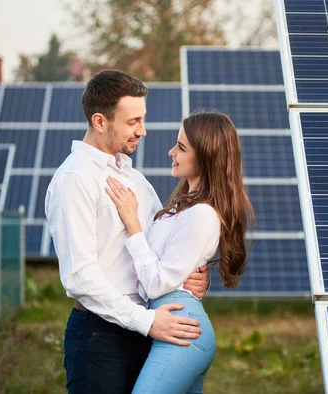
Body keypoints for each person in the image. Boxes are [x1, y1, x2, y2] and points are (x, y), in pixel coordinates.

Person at [45, 70, 211, 394]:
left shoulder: (136, 181)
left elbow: (156, 248)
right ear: (100, 121)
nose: (143, 131)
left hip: (147, 330)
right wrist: (146, 322)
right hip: (100, 336)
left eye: (142, 119)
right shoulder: (74, 180)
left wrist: (191, 273)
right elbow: (79, 276)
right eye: (133, 122)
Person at [104, 110, 254, 393]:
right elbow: (170, 265)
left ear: (206, 157)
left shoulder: (202, 215)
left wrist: (132, 222)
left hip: (183, 332)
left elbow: (156, 283)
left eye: (182, 147)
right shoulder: (181, 208)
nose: (172, 152)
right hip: (172, 326)